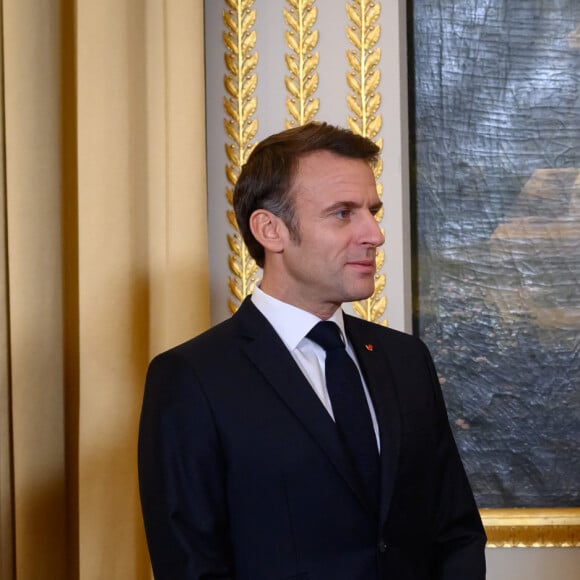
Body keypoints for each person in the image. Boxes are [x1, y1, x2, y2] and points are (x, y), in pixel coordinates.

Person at [138, 122, 486, 579]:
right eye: (343, 213)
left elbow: (455, 531)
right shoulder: (192, 378)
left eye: (372, 211)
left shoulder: (406, 360)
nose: (375, 234)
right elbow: (191, 564)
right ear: (270, 230)